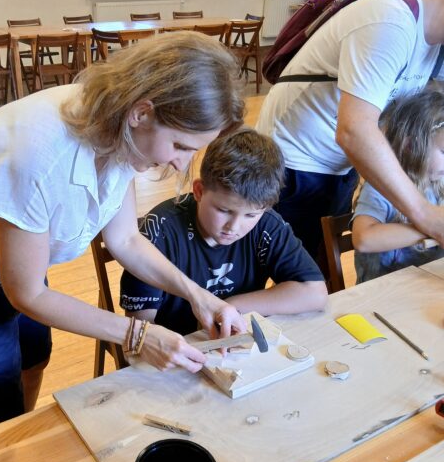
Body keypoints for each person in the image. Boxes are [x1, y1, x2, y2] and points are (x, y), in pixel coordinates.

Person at [0, 31, 248, 435]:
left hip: (17, 268)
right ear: (142, 113)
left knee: (34, 359)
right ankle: (12, 441)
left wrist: (199, 296)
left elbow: (125, 240)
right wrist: (138, 335)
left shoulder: (121, 128)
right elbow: (27, 294)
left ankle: (21, 432)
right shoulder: (34, 153)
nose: (181, 163)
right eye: (181, 146)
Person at [256, 0, 444, 265]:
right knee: (287, 266)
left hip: (342, 162)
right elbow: (354, 131)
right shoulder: (391, 19)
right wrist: (426, 216)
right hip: (296, 160)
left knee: (319, 264)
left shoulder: (436, 41)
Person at [119, 129, 327, 336]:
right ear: (199, 191)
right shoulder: (161, 231)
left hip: (233, 342)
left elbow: (315, 293)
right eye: (224, 210)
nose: (233, 227)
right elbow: (139, 332)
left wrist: (230, 306)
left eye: (250, 215)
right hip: (174, 343)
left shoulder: (266, 224)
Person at [352, 90, 444, 283]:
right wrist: (432, 227)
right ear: (411, 146)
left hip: (424, 286)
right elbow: (363, 239)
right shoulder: (381, 188)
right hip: (383, 292)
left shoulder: (438, 185)